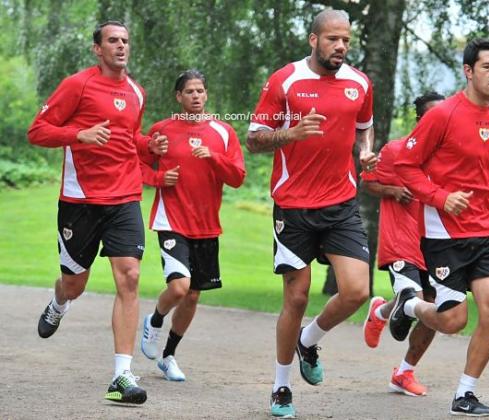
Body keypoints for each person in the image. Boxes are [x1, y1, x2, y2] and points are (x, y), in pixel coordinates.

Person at [393, 38, 489, 416]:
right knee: (453, 320)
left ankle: (465, 393)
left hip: (486, 232)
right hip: (444, 232)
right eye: (488, 67)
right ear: (468, 71)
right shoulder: (441, 115)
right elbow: (405, 167)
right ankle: (410, 305)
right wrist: (441, 197)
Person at [246, 9, 378, 418]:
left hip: (340, 203)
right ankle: (281, 386)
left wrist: (366, 149)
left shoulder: (359, 83)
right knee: (297, 295)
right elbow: (253, 139)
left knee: (357, 290)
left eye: (346, 41)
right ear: (313, 40)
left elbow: (364, 125)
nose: (340, 46)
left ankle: (309, 339)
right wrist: (292, 133)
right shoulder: (284, 80)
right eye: (332, 39)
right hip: (293, 206)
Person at [27, 21, 168, 404]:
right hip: (80, 200)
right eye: (113, 41)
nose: (121, 46)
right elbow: (37, 131)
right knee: (75, 284)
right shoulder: (78, 85)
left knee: (131, 277)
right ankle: (59, 303)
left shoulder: (137, 91)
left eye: (125, 41)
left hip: (124, 196)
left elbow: (129, 140)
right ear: (97, 49)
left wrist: (149, 145)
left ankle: (122, 375)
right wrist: (78, 135)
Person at [139, 70, 246, 381]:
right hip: (171, 219)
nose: (196, 96)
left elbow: (237, 178)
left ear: (207, 94)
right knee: (179, 286)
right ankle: (155, 321)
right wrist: (159, 178)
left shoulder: (223, 133)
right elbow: (135, 165)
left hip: (207, 225)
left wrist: (212, 156)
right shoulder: (161, 130)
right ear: (178, 97)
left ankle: (169, 355)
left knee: (194, 295)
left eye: (200, 90)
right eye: (189, 92)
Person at [361, 92, 444, 397]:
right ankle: (386, 313)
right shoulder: (395, 151)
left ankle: (403, 369)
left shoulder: (451, 157)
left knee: (437, 309)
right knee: (417, 300)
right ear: (422, 120)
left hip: (436, 245)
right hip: (402, 240)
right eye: (436, 115)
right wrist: (393, 190)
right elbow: (367, 183)